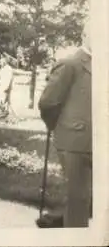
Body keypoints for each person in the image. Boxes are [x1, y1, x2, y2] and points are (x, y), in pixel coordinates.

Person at [37, 40, 92, 228]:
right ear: (87, 35)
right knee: (78, 199)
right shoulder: (70, 64)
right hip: (75, 142)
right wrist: (59, 126)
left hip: (98, 140)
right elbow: (48, 103)